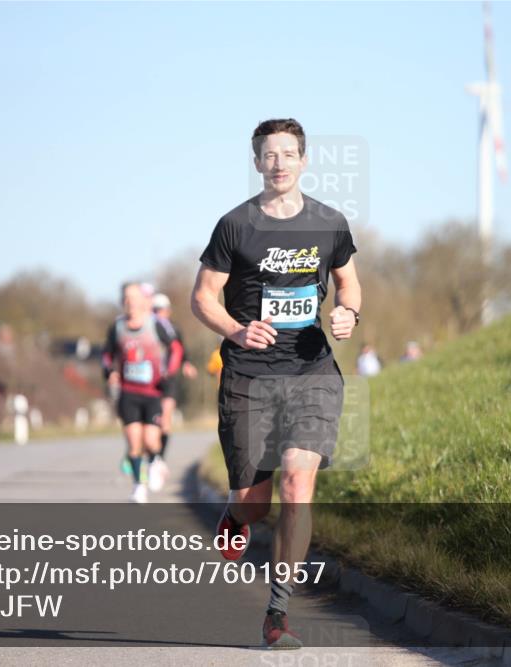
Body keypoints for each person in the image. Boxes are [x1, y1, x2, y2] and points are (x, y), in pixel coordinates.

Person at [191, 118, 361, 649]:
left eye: (290, 153)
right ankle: (236, 514)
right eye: (270, 154)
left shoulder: (330, 223)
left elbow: (348, 283)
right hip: (248, 376)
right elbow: (202, 297)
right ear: (257, 162)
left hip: (311, 370)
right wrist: (237, 330)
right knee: (255, 503)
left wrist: (349, 314)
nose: (280, 163)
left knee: (296, 483)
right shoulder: (234, 226)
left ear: (304, 161)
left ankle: (278, 612)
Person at [102, 282, 182, 503]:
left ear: (144, 301)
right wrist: (110, 372)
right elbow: (107, 355)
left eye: (134, 298)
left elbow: (176, 349)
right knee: (133, 442)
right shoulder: (117, 328)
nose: (130, 303)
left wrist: (168, 371)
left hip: (153, 392)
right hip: (128, 392)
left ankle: (156, 461)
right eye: (126, 299)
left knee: (151, 441)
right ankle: (139, 486)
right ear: (122, 302)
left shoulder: (155, 325)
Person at [150, 293, 198, 463]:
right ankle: (151, 455)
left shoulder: (173, 329)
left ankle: (159, 459)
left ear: (168, 311)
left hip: (168, 378)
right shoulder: (147, 327)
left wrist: (186, 364)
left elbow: (180, 349)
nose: (157, 313)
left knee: (166, 418)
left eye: (160, 310)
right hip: (150, 379)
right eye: (154, 310)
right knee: (151, 419)